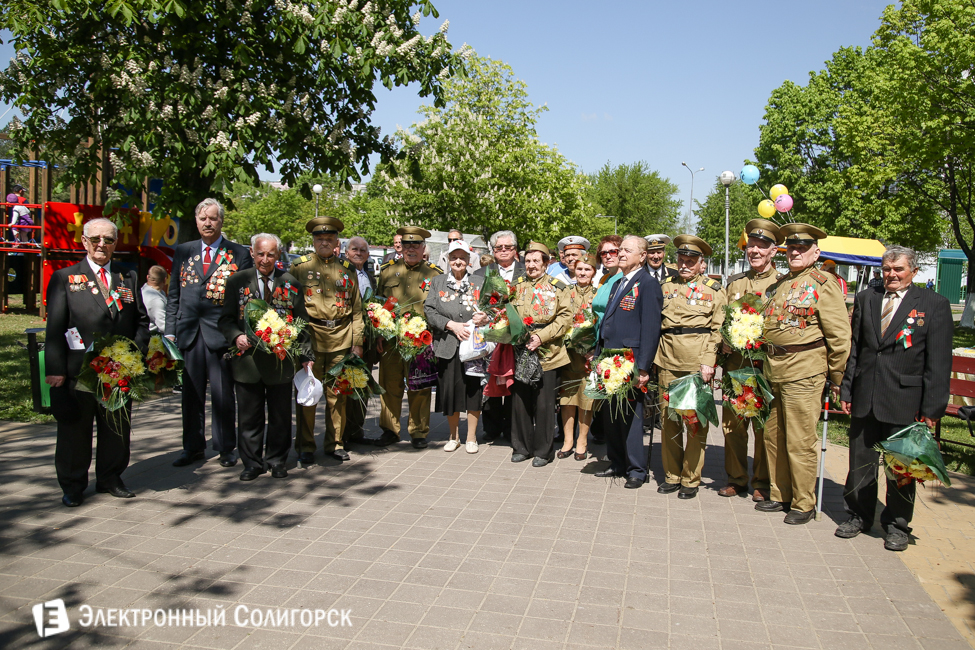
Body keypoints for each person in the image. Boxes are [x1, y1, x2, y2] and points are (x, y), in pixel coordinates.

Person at [838, 246, 952, 550]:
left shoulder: (933, 304)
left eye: (898, 269)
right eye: (887, 269)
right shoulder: (867, 299)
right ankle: (858, 516)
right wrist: (847, 388)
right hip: (865, 396)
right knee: (861, 463)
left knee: (900, 468)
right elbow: (857, 350)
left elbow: (938, 363)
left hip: (905, 400)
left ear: (913, 272)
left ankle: (897, 525)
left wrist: (932, 408)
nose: (891, 275)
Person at [45, 217, 151, 506]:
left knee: (116, 427)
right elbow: (54, 328)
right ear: (84, 242)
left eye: (108, 240)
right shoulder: (65, 278)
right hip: (79, 371)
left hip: (118, 371)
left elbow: (142, 321)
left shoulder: (127, 277)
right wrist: (55, 371)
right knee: (74, 431)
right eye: (95, 239)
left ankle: (110, 477)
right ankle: (72, 484)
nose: (101, 245)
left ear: (116, 243)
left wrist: (133, 354)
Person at [759, 223, 851, 524]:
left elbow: (839, 335)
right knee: (774, 437)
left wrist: (836, 377)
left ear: (816, 252)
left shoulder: (824, 284)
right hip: (774, 369)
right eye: (792, 249)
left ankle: (803, 502)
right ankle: (779, 493)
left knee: (799, 439)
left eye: (802, 248)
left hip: (805, 371)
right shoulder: (781, 284)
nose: (795, 253)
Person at [166, 198, 252, 468]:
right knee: (190, 394)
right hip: (189, 332)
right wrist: (169, 332)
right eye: (203, 218)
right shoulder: (183, 251)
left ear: (221, 221)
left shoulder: (238, 253)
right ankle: (192, 447)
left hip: (222, 334)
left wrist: (241, 332)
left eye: (213, 218)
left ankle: (226, 447)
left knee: (223, 393)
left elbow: (245, 298)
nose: (207, 223)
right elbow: (173, 295)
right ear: (196, 221)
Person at [219, 234, 313, 480]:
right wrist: (236, 336)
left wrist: (305, 355)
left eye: (271, 254)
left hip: (280, 362)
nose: (265, 259)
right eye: (260, 253)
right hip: (248, 362)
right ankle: (251, 463)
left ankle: (277, 461)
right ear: (252, 253)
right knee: (249, 416)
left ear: (278, 255)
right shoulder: (237, 281)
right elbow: (226, 319)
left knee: (281, 416)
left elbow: (302, 322)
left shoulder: (290, 282)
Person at [655, 235, 725, 499]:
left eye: (691, 261)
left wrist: (709, 360)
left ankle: (691, 479)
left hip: (697, 362)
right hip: (667, 360)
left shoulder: (714, 290)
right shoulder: (664, 286)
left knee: (694, 423)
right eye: (681, 260)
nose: (684, 265)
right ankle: (672, 475)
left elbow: (718, 329)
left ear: (701, 264)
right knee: (669, 420)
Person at [291, 216, 364, 464]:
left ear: (336, 242)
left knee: (338, 395)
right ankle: (305, 446)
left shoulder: (347, 269)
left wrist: (357, 343)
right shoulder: (299, 268)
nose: (324, 242)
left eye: (329, 238)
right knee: (308, 394)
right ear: (313, 241)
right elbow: (290, 309)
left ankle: (335, 443)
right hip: (309, 338)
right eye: (319, 238)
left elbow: (356, 310)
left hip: (341, 339)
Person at [719, 219, 782, 501]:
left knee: (763, 427)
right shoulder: (735, 283)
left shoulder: (782, 284)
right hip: (736, 366)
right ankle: (736, 478)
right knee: (733, 425)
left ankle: (762, 481)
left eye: (762, 246)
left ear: (773, 251)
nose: (754, 251)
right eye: (751, 245)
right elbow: (721, 320)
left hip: (765, 368)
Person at [593, 236, 663, 487]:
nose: (620, 253)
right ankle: (617, 462)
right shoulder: (617, 283)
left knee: (632, 416)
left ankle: (636, 470)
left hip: (630, 360)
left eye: (626, 250)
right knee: (611, 416)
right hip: (610, 358)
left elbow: (651, 328)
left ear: (642, 256)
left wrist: (643, 366)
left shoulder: (647, 284)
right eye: (620, 249)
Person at [375, 226, 443, 448]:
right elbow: (378, 305)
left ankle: (418, 431)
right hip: (391, 341)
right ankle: (390, 430)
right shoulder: (387, 271)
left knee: (420, 388)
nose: (411, 249)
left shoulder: (435, 274)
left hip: (420, 341)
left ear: (424, 248)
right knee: (389, 385)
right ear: (400, 247)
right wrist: (378, 335)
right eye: (407, 245)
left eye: (416, 245)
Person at [509, 242, 573, 467]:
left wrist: (541, 336)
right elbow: (503, 311)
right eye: (527, 261)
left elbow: (565, 317)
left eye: (536, 261)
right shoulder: (515, 286)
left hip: (549, 352)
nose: (531, 265)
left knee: (545, 404)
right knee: (520, 402)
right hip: (521, 351)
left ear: (547, 263)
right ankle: (521, 447)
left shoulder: (558, 287)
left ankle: (543, 451)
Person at [425, 240, 489, 453]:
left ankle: (471, 437)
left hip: (473, 346)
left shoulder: (480, 281)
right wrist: (450, 324)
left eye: (462, 257)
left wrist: (484, 316)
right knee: (449, 391)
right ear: (448, 260)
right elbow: (430, 310)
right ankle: (453, 436)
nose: (458, 261)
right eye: (454, 257)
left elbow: (493, 306)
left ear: (469, 261)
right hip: (448, 345)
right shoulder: (438, 282)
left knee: (473, 390)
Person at [474, 230, 526, 443]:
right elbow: (473, 301)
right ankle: (492, 427)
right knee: (490, 381)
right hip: (490, 336)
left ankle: (512, 427)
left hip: (517, 336)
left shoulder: (526, 271)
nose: (503, 251)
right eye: (499, 248)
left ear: (515, 250)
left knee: (513, 382)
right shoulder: (481, 273)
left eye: (508, 247)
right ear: (493, 251)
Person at [558, 253, 600, 461]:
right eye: (580, 268)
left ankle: (582, 440)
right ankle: (568, 440)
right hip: (567, 355)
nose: (583, 273)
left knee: (586, 400)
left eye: (587, 269)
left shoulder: (599, 294)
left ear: (593, 272)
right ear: (574, 270)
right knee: (567, 399)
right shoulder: (564, 292)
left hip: (588, 356)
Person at [343, 236, 378, 446]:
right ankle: (342, 434)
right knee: (347, 387)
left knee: (362, 386)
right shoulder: (342, 273)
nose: (358, 253)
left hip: (368, 340)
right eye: (354, 249)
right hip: (347, 339)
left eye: (363, 250)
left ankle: (356, 431)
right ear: (347, 253)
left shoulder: (369, 275)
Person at [141, 265, 168, 333]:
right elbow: (164, 326)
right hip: (153, 338)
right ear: (165, 280)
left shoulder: (142, 290)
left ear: (147, 277)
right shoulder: (156, 300)